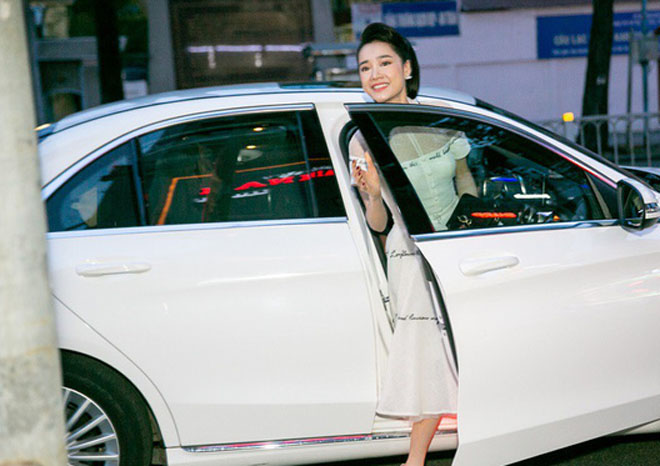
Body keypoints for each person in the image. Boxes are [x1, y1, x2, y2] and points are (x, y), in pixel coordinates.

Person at [350, 23, 477, 466]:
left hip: (458, 248)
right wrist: (371, 194)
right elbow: (379, 224)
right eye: (365, 67)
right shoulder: (363, 136)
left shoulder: (440, 122)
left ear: (407, 68)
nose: (374, 74)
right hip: (409, 255)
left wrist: (471, 230)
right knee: (428, 354)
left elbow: (467, 184)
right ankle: (416, 459)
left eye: (384, 63)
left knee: (467, 346)